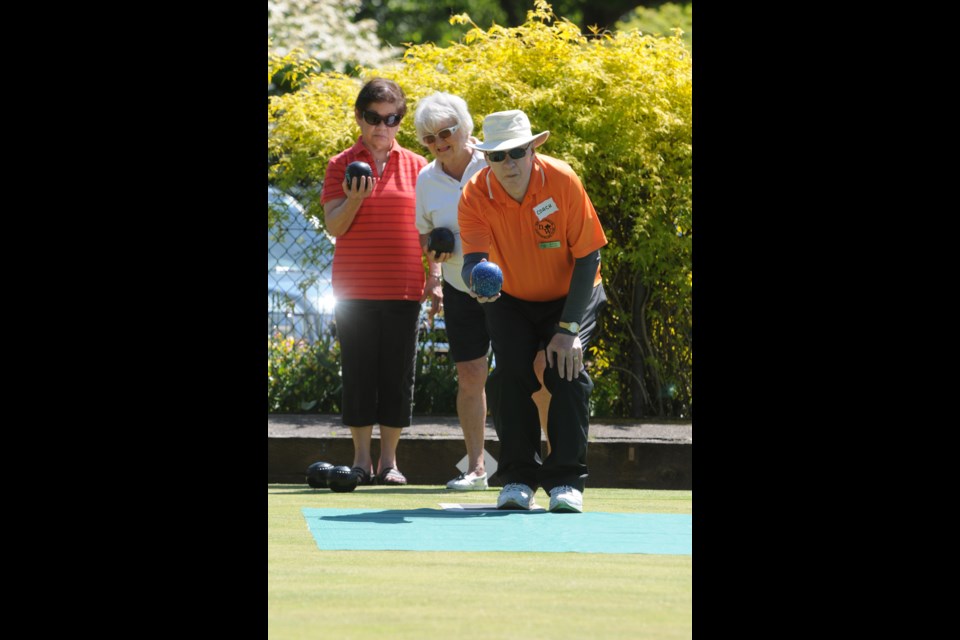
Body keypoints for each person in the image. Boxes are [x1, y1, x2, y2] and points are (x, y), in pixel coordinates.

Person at [458, 110, 608, 513]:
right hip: (511, 298)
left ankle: (565, 482)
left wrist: (568, 327)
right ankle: (518, 479)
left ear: (532, 150)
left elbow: (589, 257)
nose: (509, 163)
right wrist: (477, 283)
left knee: (567, 371)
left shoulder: (562, 179)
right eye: (497, 156)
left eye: (517, 152)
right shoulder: (474, 193)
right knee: (508, 377)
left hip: (571, 293)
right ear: (485, 158)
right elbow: (474, 260)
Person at [413, 93, 552, 491]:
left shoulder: (494, 159)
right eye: (429, 137)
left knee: (532, 372)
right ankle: (477, 469)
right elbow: (427, 234)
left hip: (511, 288)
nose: (439, 142)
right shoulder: (426, 179)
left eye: (446, 131)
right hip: (461, 287)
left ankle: (550, 459)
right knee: (471, 375)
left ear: (465, 128)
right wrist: (435, 269)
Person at [321, 78, 434, 486]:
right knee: (358, 374)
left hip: (403, 287)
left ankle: (389, 463)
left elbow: (427, 231)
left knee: (397, 376)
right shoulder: (341, 165)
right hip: (353, 290)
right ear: (359, 117)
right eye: (373, 118)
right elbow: (334, 226)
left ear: (400, 122)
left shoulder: (419, 167)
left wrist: (435, 277)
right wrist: (354, 198)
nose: (381, 127)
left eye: (392, 119)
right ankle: (360, 461)